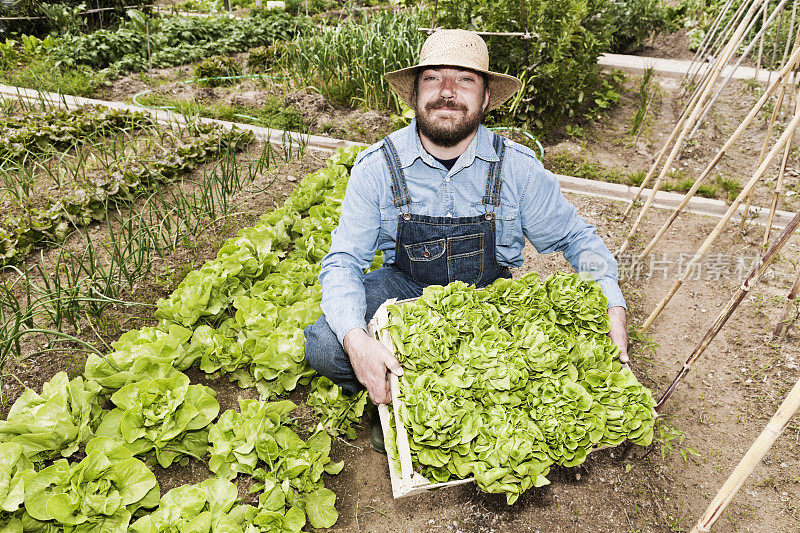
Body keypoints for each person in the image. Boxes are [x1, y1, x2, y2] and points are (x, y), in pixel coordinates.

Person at [303, 29, 627, 437]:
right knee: (326, 346)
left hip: (487, 300)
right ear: (415, 92)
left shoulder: (518, 169)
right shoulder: (377, 168)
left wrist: (612, 304)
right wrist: (356, 342)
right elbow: (343, 262)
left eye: (465, 79)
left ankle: (464, 402)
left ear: (486, 96)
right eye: (433, 77)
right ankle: (392, 393)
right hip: (405, 289)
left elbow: (578, 240)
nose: (447, 91)